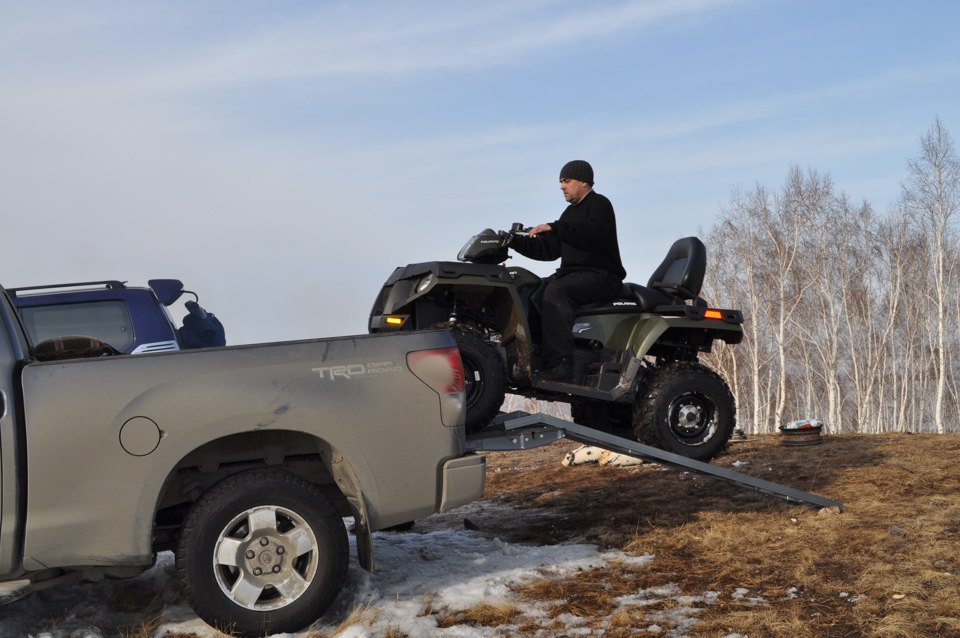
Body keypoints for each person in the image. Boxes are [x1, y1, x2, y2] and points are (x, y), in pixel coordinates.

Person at [509, 160, 626, 382]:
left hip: (602, 276)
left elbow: (592, 233)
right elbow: (550, 250)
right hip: (574, 275)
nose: (562, 187)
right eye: (561, 182)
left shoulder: (600, 204)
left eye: (566, 181)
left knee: (556, 292)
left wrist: (555, 227)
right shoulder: (568, 214)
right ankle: (535, 356)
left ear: (583, 182)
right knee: (534, 292)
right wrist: (515, 242)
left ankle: (561, 364)